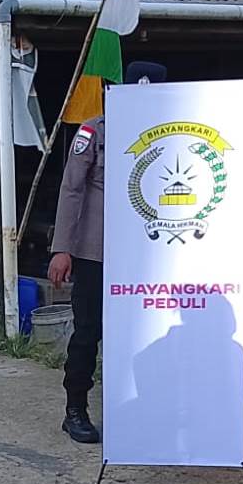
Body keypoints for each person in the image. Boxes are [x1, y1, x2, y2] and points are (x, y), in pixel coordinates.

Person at [48, 61, 167, 444]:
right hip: (95, 253)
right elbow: (71, 190)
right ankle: (76, 410)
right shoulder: (94, 131)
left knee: (144, 334)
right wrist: (62, 248)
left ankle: (138, 408)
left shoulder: (170, 133)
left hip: (147, 255)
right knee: (88, 331)